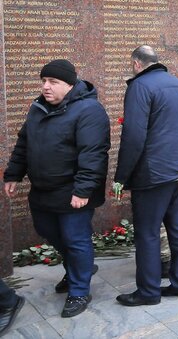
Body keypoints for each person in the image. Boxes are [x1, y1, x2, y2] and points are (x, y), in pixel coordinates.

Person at [3, 60, 109, 318]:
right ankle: (77, 267)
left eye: (53, 82)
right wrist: (13, 174)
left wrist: (83, 190)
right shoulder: (38, 108)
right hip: (42, 190)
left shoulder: (89, 110)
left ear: (70, 85)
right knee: (48, 232)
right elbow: (24, 144)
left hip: (73, 190)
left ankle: (79, 290)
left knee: (75, 240)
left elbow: (93, 154)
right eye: (44, 81)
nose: (46, 87)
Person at [114, 46, 178, 306]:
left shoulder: (139, 86)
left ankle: (148, 292)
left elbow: (134, 135)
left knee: (148, 233)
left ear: (137, 63)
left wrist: (121, 176)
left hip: (154, 173)